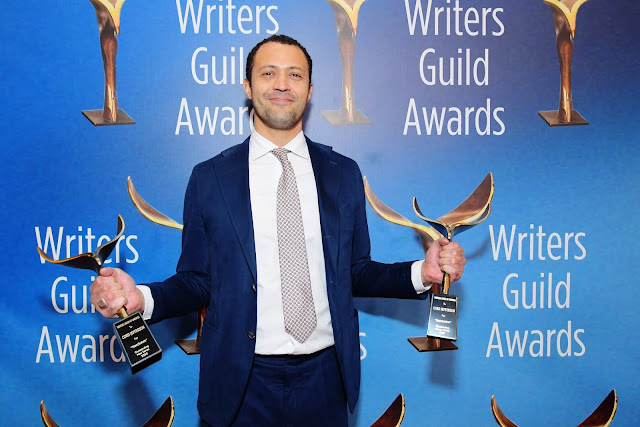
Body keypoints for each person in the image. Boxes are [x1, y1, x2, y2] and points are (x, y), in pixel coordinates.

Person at [90, 34, 466, 426]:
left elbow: (355, 271)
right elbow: (197, 281)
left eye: (295, 75)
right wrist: (143, 300)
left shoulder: (344, 174)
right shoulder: (209, 178)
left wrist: (422, 273)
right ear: (248, 87)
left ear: (310, 89)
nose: (282, 84)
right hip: (240, 382)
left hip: (327, 378)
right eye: (268, 73)